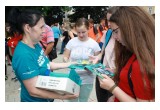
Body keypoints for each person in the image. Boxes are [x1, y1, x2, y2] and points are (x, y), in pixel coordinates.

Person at [8, 8, 78, 102]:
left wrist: (70, 64)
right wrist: (63, 96)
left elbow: (46, 64)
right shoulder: (23, 55)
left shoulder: (36, 44)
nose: (44, 31)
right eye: (41, 27)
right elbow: (33, 91)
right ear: (28, 28)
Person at [98, 6, 155, 102]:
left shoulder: (140, 65)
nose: (114, 37)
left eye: (116, 32)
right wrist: (116, 72)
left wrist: (112, 88)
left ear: (131, 28)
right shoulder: (133, 53)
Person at [63, 18, 101, 102]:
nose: (80, 35)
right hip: (73, 76)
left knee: (83, 100)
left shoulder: (94, 44)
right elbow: (65, 56)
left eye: (83, 32)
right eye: (78, 32)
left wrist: (92, 65)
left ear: (88, 29)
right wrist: (68, 62)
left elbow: (98, 61)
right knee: (72, 100)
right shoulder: (71, 42)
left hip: (87, 77)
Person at [89, 6, 118, 102]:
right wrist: (96, 58)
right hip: (102, 74)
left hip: (116, 78)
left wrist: (114, 71)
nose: (109, 24)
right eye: (107, 20)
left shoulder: (126, 37)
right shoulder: (108, 33)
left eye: (112, 20)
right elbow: (102, 53)